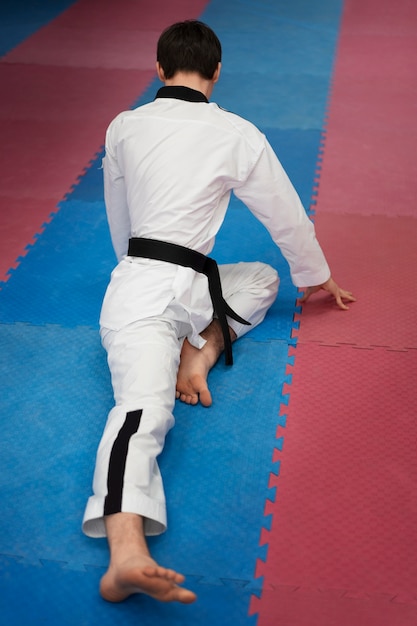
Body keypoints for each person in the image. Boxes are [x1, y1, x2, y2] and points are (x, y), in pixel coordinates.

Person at [82, 20, 355, 605]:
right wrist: (318, 276)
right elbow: (285, 215)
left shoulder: (124, 126)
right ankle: (125, 553)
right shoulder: (237, 132)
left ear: (159, 69)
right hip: (166, 294)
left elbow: (120, 217)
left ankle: (199, 354)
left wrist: (131, 271)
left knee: (259, 278)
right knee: (142, 412)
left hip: (149, 284)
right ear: (217, 72)